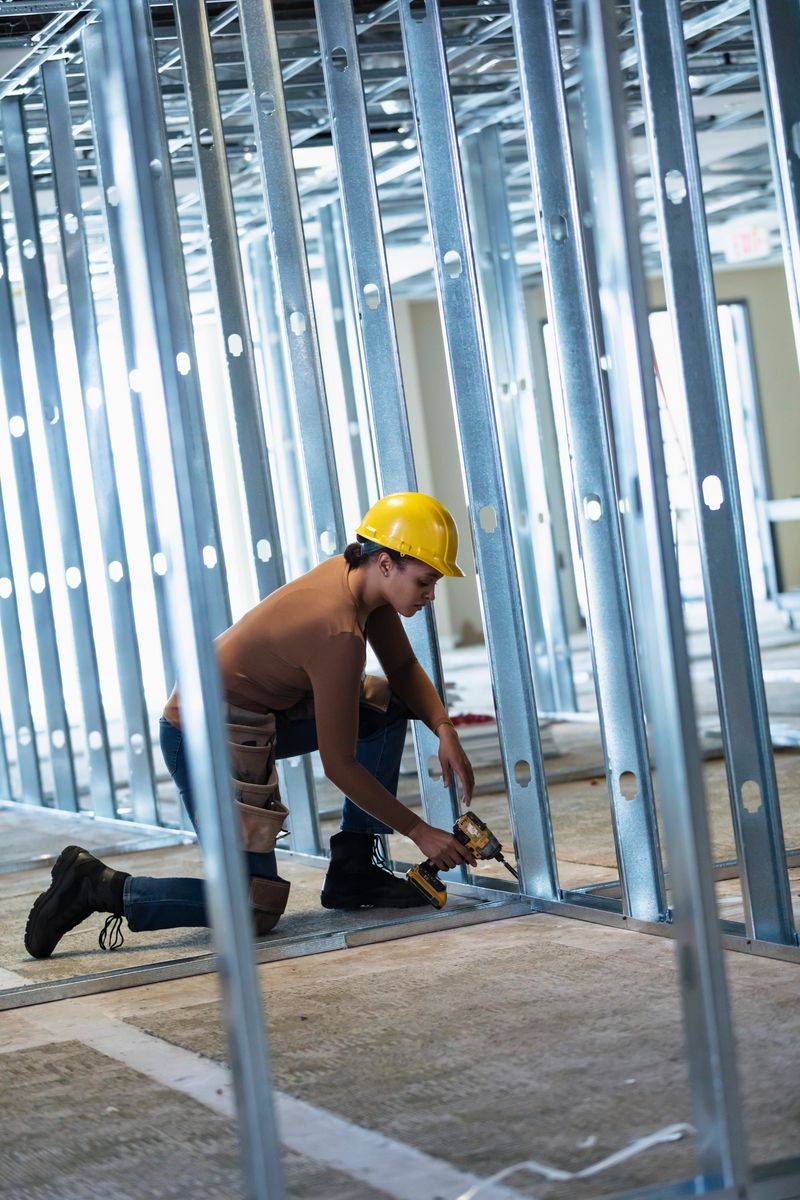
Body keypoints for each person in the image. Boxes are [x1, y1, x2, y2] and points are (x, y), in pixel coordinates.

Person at [25, 492, 477, 958]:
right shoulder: (336, 630)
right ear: (386, 563)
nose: (430, 594)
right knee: (254, 909)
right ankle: (98, 886)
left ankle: (355, 869)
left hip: (256, 719)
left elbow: (401, 669)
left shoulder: (358, 582)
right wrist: (419, 831)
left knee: (388, 706)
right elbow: (339, 765)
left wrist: (443, 728)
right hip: (201, 738)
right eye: (425, 581)